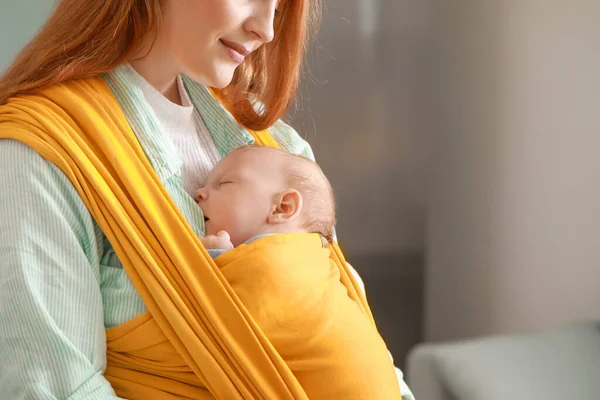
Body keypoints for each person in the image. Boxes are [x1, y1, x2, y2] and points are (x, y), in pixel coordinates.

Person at [0, 0, 414, 398]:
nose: (267, 29)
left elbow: (352, 339)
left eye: (280, 5)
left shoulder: (274, 145)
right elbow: (54, 388)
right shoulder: (38, 157)